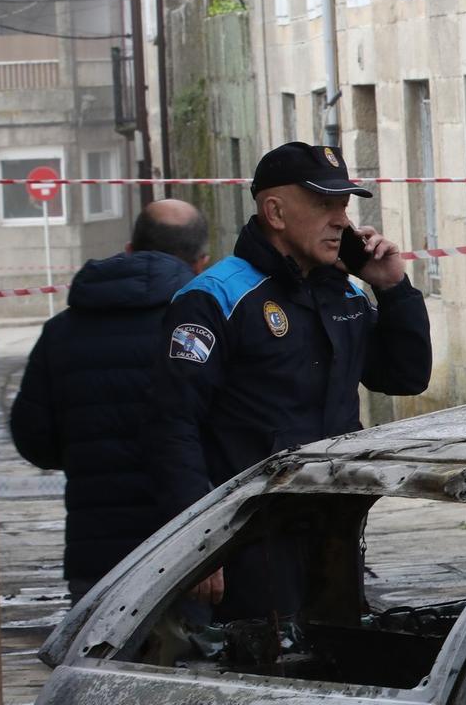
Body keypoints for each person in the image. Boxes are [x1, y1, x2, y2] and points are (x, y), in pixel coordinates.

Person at [147, 142, 432, 615]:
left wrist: (393, 288)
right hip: (248, 538)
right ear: (275, 212)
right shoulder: (216, 297)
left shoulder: (341, 290)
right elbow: (171, 427)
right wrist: (195, 543)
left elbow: (404, 377)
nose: (342, 219)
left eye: (343, 205)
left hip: (334, 527)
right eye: (325, 204)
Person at [10, 200, 213, 598]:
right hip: (184, 550)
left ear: (129, 249)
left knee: (96, 658)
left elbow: (33, 438)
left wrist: (87, 449)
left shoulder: (61, 331)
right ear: (200, 264)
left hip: (97, 555)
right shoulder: (202, 327)